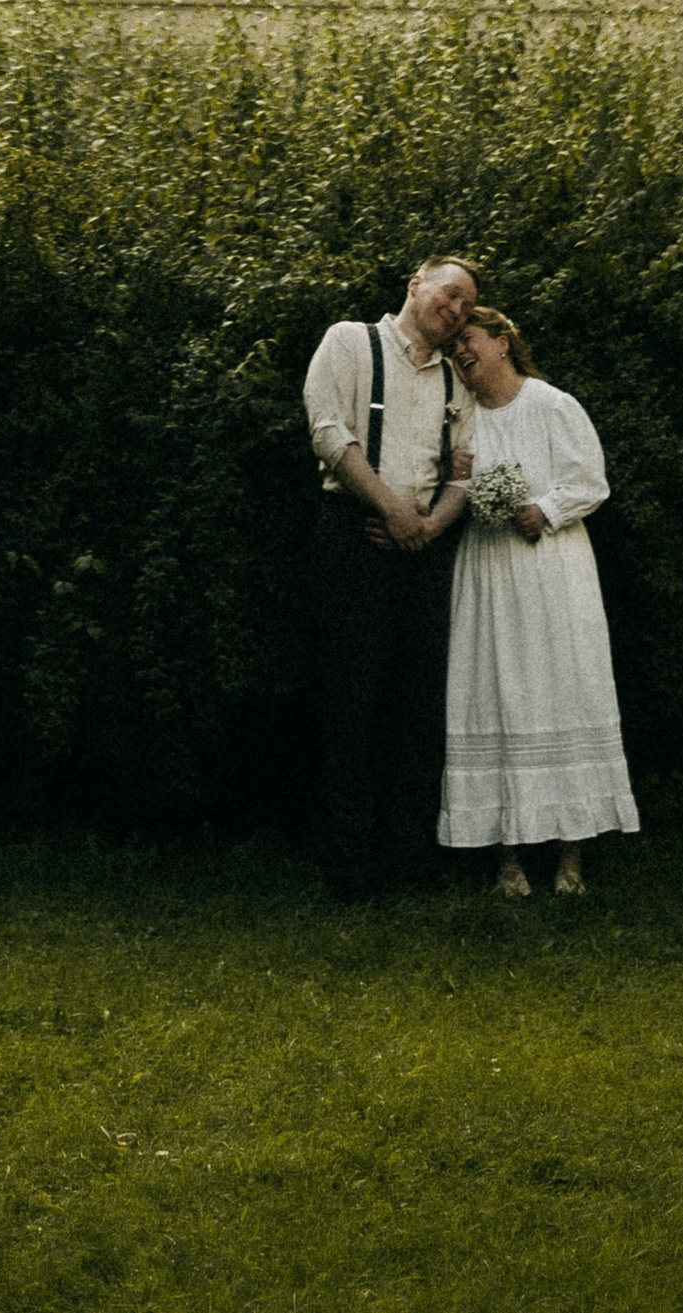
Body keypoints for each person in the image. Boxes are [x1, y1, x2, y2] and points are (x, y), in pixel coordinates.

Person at [441, 302, 639, 897]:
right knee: (495, 692)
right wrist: (453, 476)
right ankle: (507, 860)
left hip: (552, 567)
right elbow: (443, 489)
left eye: (469, 339)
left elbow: (590, 480)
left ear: (503, 342)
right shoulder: (457, 417)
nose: (461, 352)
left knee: (562, 689)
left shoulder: (552, 404)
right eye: (453, 347)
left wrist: (545, 509)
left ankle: (570, 859)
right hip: (487, 568)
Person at [301, 255, 481, 899]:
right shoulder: (350, 342)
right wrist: (391, 510)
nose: (456, 310)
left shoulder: (455, 381)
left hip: (425, 548)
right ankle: (351, 872)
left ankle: (412, 865)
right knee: (351, 704)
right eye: (449, 294)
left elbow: (464, 472)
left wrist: (427, 528)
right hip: (355, 535)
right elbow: (329, 433)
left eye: (467, 306)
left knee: (419, 707)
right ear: (416, 284)